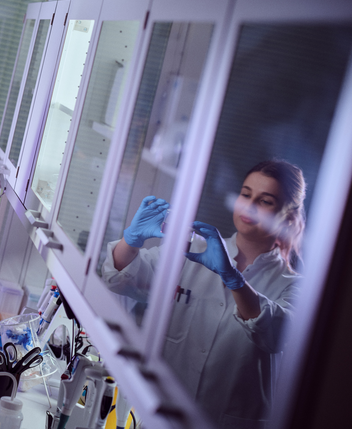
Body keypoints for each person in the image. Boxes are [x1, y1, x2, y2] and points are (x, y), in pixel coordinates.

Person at [102, 159, 306, 428]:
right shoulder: (192, 251)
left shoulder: (295, 285)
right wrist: (131, 239)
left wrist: (233, 279)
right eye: (245, 194)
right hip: (161, 414)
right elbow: (120, 279)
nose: (250, 205)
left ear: (288, 219)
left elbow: (275, 333)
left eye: (265, 200)